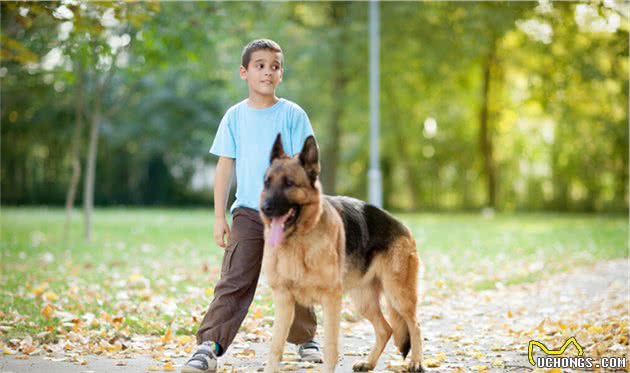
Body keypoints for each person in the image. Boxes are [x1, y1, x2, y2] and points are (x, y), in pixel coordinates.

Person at [182, 39, 321, 373]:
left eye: (274, 66)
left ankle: (305, 339)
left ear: (281, 73)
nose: (267, 72)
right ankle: (208, 346)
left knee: (296, 275)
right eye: (260, 65)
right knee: (234, 278)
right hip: (247, 210)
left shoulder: (292, 114)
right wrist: (219, 216)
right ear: (244, 72)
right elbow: (224, 167)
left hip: (288, 214)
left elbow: (308, 165)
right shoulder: (234, 116)